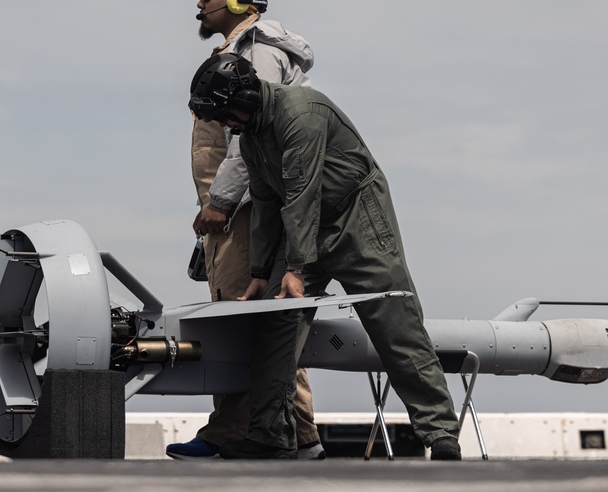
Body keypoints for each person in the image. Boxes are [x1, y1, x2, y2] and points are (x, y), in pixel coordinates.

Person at [187, 53, 463, 461]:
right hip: (303, 227)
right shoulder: (251, 138)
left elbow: (302, 190)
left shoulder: (302, 113)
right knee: (274, 322)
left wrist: (295, 270)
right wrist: (262, 272)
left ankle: (439, 431)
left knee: (395, 323)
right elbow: (265, 202)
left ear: (245, 97)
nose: (226, 123)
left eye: (226, 113)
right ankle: (269, 436)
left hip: (358, 220)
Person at [166, 0, 324, 461]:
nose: (199, 5)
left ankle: (230, 432)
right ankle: (302, 438)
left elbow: (248, 138)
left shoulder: (260, 54)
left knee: (240, 320)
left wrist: (221, 202)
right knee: (268, 324)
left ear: (239, 0)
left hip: (242, 210)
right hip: (233, 212)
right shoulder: (239, 51)